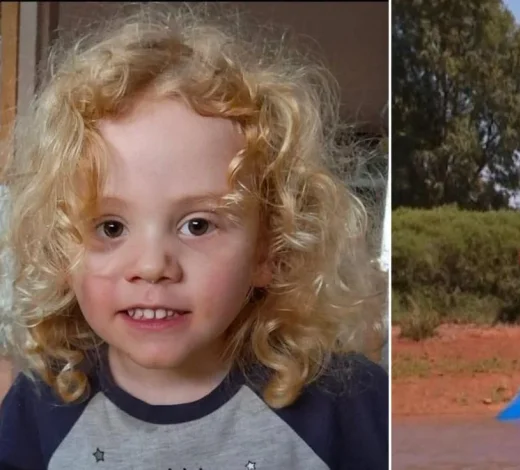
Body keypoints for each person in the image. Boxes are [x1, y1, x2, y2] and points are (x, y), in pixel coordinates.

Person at [0, 4, 388, 469]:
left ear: (268, 248)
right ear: (63, 249)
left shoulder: (349, 404)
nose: (151, 266)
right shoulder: (39, 407)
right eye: (110, 227)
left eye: (197, 225)